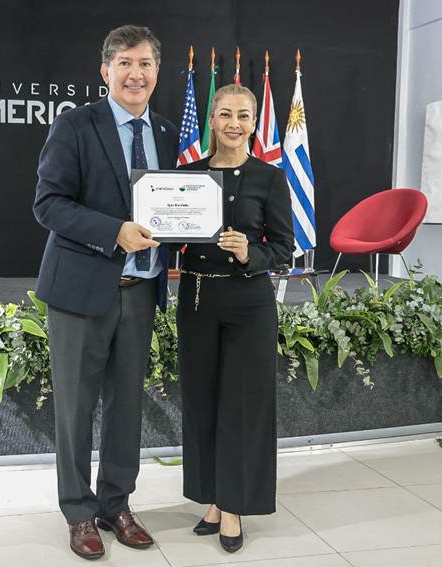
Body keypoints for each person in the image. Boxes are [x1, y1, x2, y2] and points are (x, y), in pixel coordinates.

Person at [32, 25, 179, 560]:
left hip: (141, 291)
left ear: (156, 71)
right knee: (75, 408)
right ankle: (78, 512)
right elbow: (48, 204)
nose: (135, 74)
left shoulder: (165, 132)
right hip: (81, 291)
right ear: (105, 71)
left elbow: (173, 206)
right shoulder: (75, 125)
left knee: (126, 406)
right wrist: (114, 231)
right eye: (125, 64)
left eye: (145, 63)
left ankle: (116, 504)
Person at [176, 84, 295, 553]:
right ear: (211, 119)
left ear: (254, 122)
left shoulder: (270, 178)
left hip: (249, 303)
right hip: (197, 298)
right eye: (225, 114)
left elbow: (284, 248)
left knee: (242, 406)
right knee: (201, 402)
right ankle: (212, 498)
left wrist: (251, 252)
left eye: (243, 115)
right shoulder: (185, 175)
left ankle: (233, 508)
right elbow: (168, 232)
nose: (234, 123)